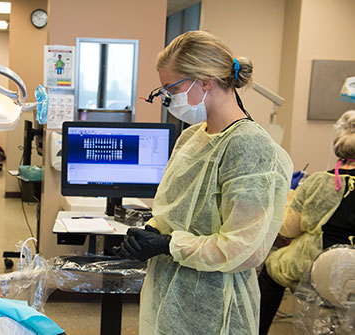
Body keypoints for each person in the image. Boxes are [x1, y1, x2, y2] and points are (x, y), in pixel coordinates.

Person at [113, 30, 293, 334]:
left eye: (172, 87)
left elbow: (243, 249)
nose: (167, 97)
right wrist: (151, 233)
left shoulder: (249, 146)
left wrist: (168, 245)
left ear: (206, 81)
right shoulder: (190, 138)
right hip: (169, 292)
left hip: (216, 303)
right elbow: (175, 210)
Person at [258, 110, 355, 334]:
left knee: (273, 268)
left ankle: (258, 329)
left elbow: (289, 229)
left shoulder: (319, 182)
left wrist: (289, 196)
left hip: (315, 264)